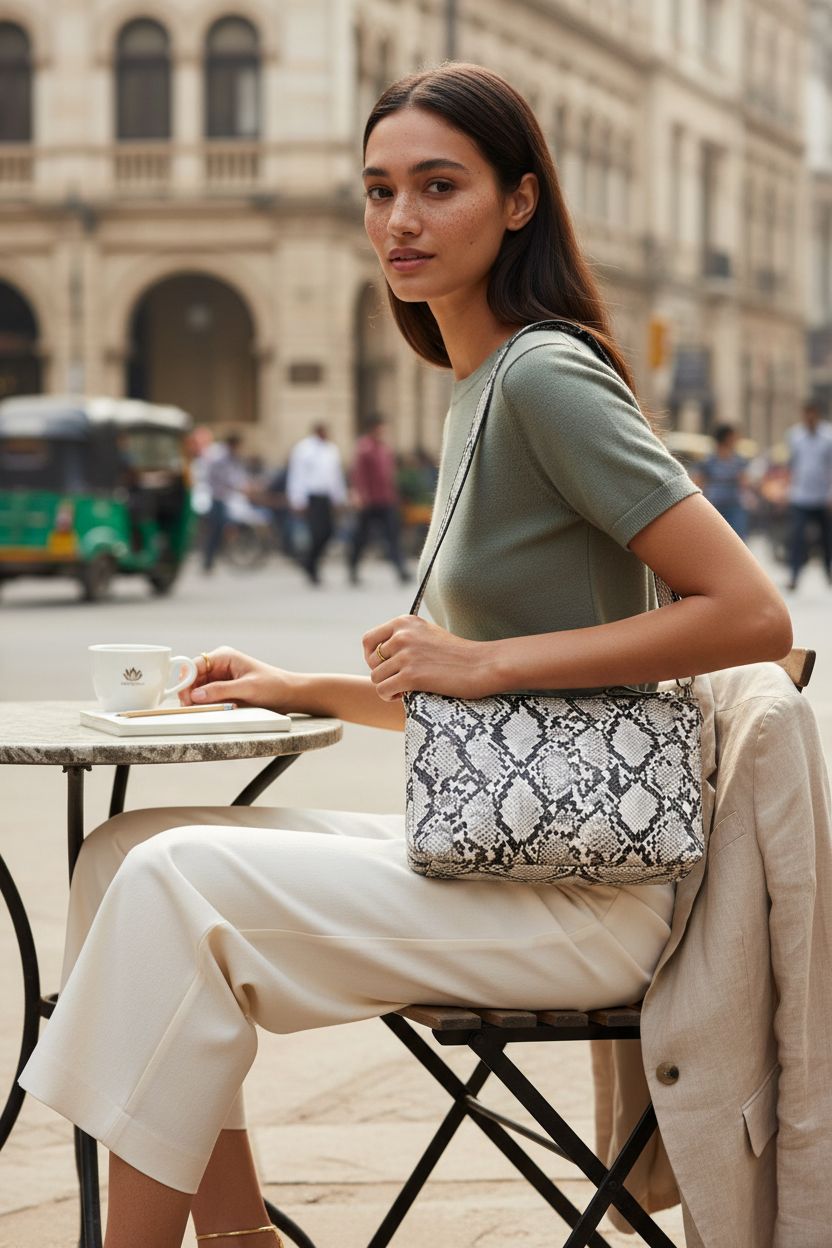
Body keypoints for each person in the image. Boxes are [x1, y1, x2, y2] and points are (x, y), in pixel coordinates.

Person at [19, 64, 792, 1248]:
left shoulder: (544, 376)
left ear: (519, 201)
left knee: (173, 883)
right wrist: (304, 688)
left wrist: (483, 665)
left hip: (583, 893)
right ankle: (235, 1236)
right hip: (513, 849)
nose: (400, 221)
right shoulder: (477, 385)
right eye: (379, 190)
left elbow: (749, 613)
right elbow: (484, 692)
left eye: (439, 186)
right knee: (127, 850)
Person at [348, 415, 410, 584]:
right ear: (373, 428)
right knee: (361, 537)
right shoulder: (364, 448)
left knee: (392, 535)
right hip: (368, 501)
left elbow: (390, 475)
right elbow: (358, 475)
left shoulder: (385, 449)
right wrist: (358, 495)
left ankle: (401, 570)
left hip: (385, 499)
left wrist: (394, 495)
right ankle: (352, 568)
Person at [285, 423, 347, 584]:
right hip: (311, 497)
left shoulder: (331, 450)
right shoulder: (304, 449)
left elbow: (336, 477)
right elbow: (297, 475)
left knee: (328, 532)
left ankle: (309, 562)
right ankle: (311, 566)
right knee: (316, 533)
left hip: (326, 497)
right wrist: (297, 499)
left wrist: (339, 498)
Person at [785, 399, 832, 590]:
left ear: (817, 414)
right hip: (800, 496)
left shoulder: (828, 436)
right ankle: (794, 575)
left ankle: (828, 572)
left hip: (823, 497)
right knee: (797, 538)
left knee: (826, 539)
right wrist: (788, 489)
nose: (809, 417)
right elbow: (792, 464)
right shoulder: (795, 436)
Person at [200, 433, 248, 573]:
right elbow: (225, 478)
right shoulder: (219, 458)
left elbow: (237, 476)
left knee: (218, 530)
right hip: (217, 498)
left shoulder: (231, 458)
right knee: (217, 529)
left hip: (225, 498)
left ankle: (210, 561)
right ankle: (208, 561)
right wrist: (239, 486)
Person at [695, 423, 749, 539]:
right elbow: (698, 482)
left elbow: (744, 482)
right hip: (714, 506)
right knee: (715, 538)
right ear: (727, 438)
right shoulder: (709, 461)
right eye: (734, 436)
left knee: (736, 539)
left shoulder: (738, 460)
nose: (736, 440)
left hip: (734, 505)